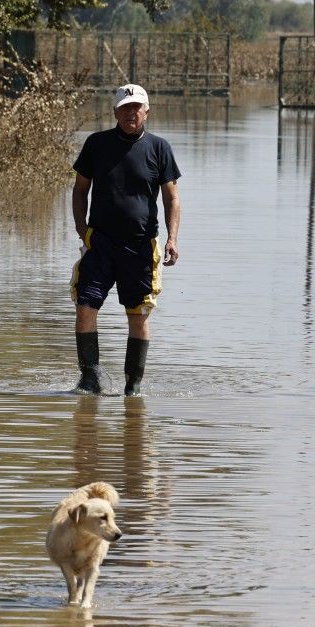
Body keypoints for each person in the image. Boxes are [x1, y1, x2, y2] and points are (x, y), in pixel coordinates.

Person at [70, 83, 182, 396]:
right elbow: (80, 190)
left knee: (138, 315)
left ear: (147, 111)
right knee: (84, 307)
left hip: (141, 246)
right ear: (115, 112)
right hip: (100, 244)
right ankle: (89, 378)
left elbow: (172, 198)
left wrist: (172, 239)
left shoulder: (159, 148)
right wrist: (83, 231)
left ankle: (132, 388)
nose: (131, 113)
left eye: (136, 107)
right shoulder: (96, 144)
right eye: (125, 108)